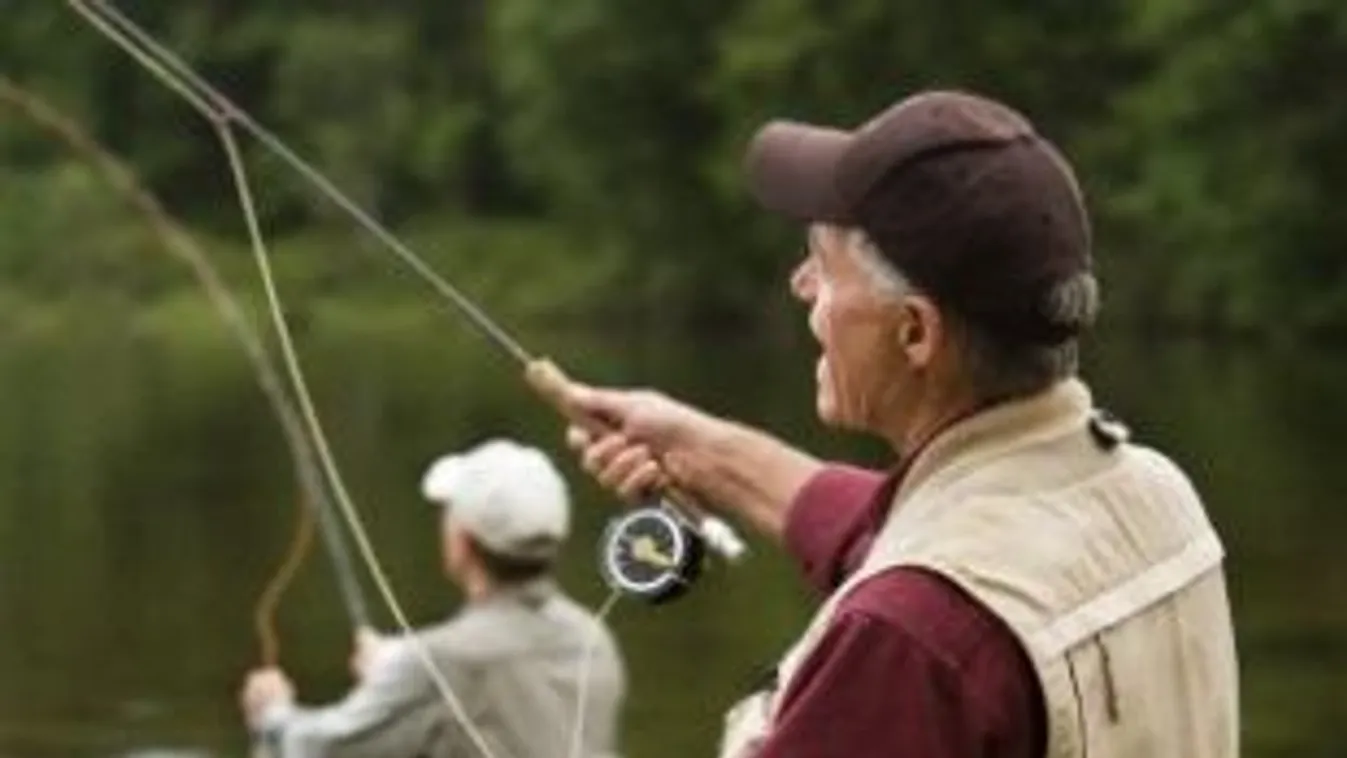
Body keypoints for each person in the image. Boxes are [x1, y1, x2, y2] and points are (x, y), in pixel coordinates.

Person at [554, 90, 1238, 758]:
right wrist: (705, 453)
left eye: (824, 267)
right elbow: (919, 537)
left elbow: (931, 595)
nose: (799, 284)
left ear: (913, 332)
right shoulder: (1155, 494)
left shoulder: (906, 640)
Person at [239, 439, 627, 758]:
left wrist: (273, 715)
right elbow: (509, 676)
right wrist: (398, 666)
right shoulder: (592, 640)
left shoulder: (441, 663)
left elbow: (323, 749)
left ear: (462, 543)